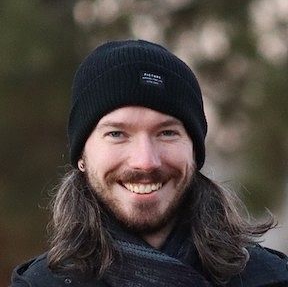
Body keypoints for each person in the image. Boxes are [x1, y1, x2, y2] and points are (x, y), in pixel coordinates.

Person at [11, 40, 288, 287]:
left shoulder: (270, 278)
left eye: (167, 133)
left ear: (194, 152)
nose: (145, 161)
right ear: (81, 155)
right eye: (117, 134)